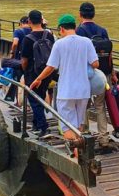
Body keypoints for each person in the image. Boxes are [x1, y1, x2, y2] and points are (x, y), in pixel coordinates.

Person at [30, 14, 98, 145]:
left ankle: (75, 154)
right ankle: (80, 153)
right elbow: (95, 64)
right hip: (83, 91)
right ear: (75, 27)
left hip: (66, 91)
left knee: (67, 126)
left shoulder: (59, 44)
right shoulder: (86, 42)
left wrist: (38, 79)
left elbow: (51, 67)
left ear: (61, 29)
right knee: (78, 125)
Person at [75, 1, 116, 151]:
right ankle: (103, 138)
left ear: (80, 14)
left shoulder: (79, 31)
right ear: (94, 14)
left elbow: (78, 56)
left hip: (85, 75)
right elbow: (110, 54)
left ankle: (85, 136)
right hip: (102, 75)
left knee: (83, 106)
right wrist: (113, 73)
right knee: (100, 106)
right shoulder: (102, 30)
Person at [20, 9, 55, 138]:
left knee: (34, 99)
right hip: (47, 71)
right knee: (41, 93)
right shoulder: (49, 35)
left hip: (32, 72)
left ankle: (43, 126)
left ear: (29, 21)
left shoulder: (27, 39)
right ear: (41, 20)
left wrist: (24, 71)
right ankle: (35, 124)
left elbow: (24, 60)